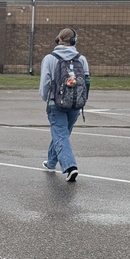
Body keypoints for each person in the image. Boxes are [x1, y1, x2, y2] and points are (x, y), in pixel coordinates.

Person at [39, 27, 90, 182]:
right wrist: (82, 99)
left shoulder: (50, 58)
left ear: (58, 40)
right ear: (74, 41)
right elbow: (86, 81)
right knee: (62, 134)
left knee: (60, 134)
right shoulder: (81, 59)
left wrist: (46, 98)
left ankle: (70, 167)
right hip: (75, 105)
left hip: (56, 103)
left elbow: (45, 83)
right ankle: (51, 162)